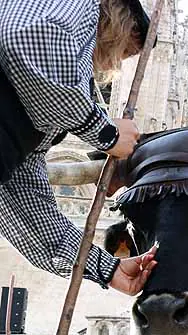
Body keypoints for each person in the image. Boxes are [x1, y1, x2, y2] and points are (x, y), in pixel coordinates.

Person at [0, 0, 158, 295]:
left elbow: (26, 207)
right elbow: (25, 37)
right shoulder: (79, 5)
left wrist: (107, 268)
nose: (114, 64)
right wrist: (105, 132)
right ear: (119, 17)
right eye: (123, 51)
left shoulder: (47, 109)